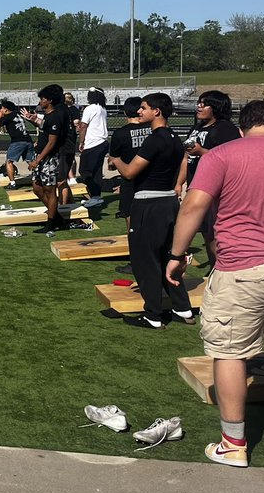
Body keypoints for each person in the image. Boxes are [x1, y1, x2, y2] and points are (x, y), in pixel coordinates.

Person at [165, 99, 264, 468]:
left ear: (242, 124)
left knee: (230, 351)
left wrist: (176, 254)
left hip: (243, 268)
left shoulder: (223, 155)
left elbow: (194, 205)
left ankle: (233, 444)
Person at [109, 93, 192, 329]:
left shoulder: (155, 139)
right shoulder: (175, 138)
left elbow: (129, 173)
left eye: (144, 108)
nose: (139, 112)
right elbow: (181, 165)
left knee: (145, 261)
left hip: (149, 203)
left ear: (157, 111)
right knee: (168, 257)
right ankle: (182, 308)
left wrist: (115, 159)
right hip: (168, 201)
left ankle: (153, 316)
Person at [175, 90, 241, 265]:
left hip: (217, 189)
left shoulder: (225, 128)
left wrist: (202, 151)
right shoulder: (197, 127)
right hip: (197, 185)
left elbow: (232, 159)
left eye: (204, 104)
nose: (199, 106)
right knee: (206, 233)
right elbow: (185, 158)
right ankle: (215, 269)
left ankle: (222, 269)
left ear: (216, 107)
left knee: (216, 233)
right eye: (199, 102)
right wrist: (179, 183)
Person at [27, 84, 69, 234]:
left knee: (50, 191)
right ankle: (57, 218)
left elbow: (52, 142)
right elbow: (44, 132)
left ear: (49, 100)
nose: (40, 101)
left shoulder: (56, 117)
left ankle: (51, 223)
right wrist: (32, 120)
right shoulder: (48, 116)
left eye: (42, 99)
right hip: (40, 156)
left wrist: (38, 160)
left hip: (49, 158)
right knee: (37, 188)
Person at [107, 96, 150, 231]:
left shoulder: (120, 133)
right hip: (151, 176)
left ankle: (134, 241)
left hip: (129, 178)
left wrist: (112, 163)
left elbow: (113, 161)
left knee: (129, 212)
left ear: (125, 112)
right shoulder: (153, 129)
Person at [77, 88, 109, 208]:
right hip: (102, 142)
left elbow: (83, 126)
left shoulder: (90, 108)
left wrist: (81, 141)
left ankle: (94, 195)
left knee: (84, 171)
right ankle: (96, 196)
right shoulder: (102, 109)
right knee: (96, 171)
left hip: (93, 143)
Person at [0, 99, 33, 188]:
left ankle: (12, 183)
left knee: (9, 161)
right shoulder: (17, 114)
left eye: (2, 109)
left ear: (6, 110)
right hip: (28, 139)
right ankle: (41, 177)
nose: (1, 110)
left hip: (18, 141)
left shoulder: (7, 116)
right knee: (31, 161)